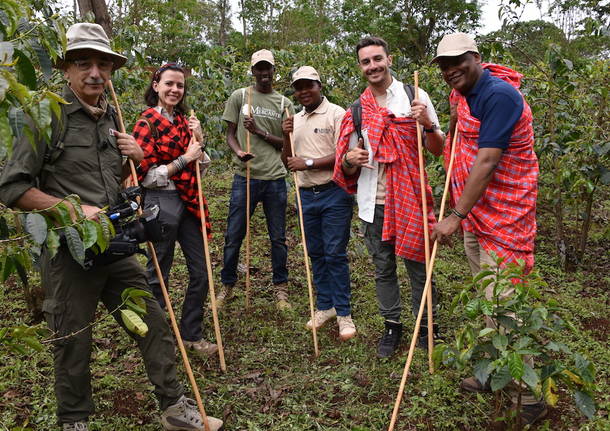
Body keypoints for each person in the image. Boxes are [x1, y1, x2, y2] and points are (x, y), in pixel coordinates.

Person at [0, 23, 222, 431]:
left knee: (154, 320)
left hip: (114, 242)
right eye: (83, 63)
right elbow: (12, 188)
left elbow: (114, 176)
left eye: (103, 64)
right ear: (66, 68)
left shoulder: (111, 115)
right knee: (73, 339)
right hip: (68, 251)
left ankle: (175, 408)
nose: (95, 73)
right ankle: (74, 420)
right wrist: (70, 210)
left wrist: (133, 157)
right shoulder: (42, 116)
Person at [430, 33, 544, 425]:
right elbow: (456, 138)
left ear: (477, 57)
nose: (450, 71)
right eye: (444, 65)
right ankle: (498, 375)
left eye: (457, 61)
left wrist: (454, 216)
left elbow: (488, 159)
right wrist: (430, 125)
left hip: (504, 216)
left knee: (505, 303)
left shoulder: (499, 96)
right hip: (477, 212)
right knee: (487, 297)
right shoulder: (462, 95)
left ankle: (529, 398)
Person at [332, 36, 445, 358]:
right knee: (383, 268)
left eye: (377, 59)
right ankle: (392, 326)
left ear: (389, 59)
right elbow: (347, 162)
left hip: (410, 197)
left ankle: (427, 326)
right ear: (360, 67)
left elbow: (437, 149)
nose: (373, 66)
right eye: (366, 62)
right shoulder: (357, 110)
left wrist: (427, 124)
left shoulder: (414, 97)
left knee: (419, 267)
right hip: (373, 203)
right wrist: (349, 161)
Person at [132, 63, 218, 357]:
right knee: (159, 272)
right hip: (160, 202)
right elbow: (145, 176)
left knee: (202, 270)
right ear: (155, 85)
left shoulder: (185, 121)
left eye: (180, 86)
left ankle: (191, 333)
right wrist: (184, 159)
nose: (174, 90)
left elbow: (201, 167)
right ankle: (158, 339)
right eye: (169, 84)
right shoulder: (146, 123)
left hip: (189, 200)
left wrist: (199, 140)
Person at [281, 66, 356, 340]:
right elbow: (288, 162)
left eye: (308, 86)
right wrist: (285, 135)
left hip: (334, 191)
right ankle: (325, 306)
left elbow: (344, 155)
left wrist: (309, 162)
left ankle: (345, 313)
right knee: (315, 252)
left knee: (335, 252)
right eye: (298, 87)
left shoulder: (337, 113)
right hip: (305, 194)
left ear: (319, 85)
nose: (303, 92)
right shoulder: (295, 119)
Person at [218, 49, 295, 309]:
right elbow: (230, 134)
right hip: (245, 176)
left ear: (274, 70)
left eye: (268, 68)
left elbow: (286, 145)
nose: (263, 73)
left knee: (278, 237)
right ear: (252, 71)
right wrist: (239, 151)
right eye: (258, 69)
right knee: (233, 234)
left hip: (274, 178)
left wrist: (259, 131)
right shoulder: (240, 96)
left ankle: (281, 289)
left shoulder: (284, 103)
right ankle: (227, 286)